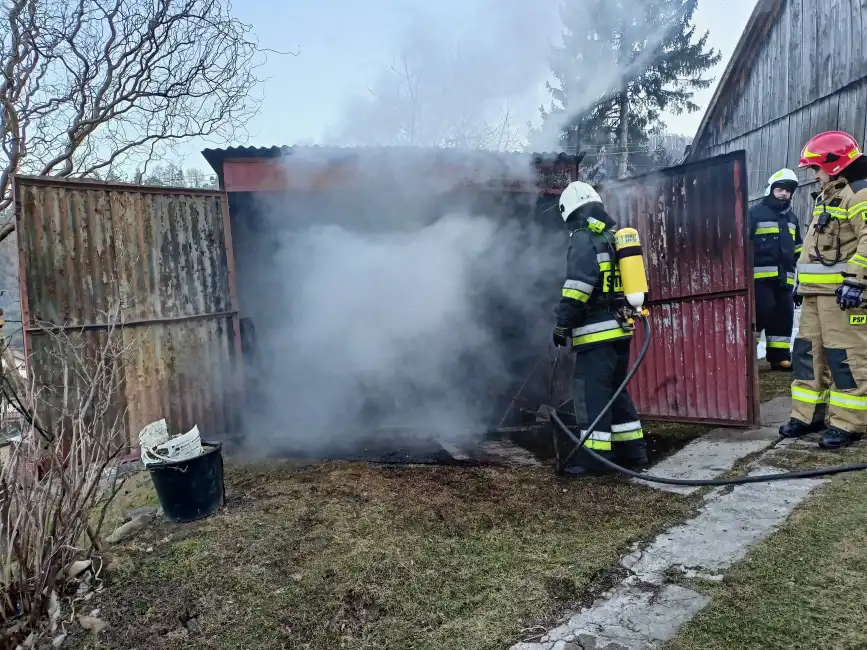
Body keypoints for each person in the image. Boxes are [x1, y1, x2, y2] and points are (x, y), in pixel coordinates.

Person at [552, 181, 648, 476]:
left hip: (596, 333)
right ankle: (634, 452)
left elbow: (579, 287)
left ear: (570, 213)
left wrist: (562, 322)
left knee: (590, 394)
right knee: (616, 391)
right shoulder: (610, 237)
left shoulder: (583, 238)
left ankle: (594, 460)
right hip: (620, 330)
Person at [779, 131, 867, 448]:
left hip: (846, 297)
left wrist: (857, 281)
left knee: (844, 359)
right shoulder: (828, 195)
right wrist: (801, 284)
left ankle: (848, 423)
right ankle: (808, 416)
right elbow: (813, 249)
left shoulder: (860, 194)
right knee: (806, 355)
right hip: (816, 295)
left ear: (835, 163)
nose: (814, 175)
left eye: (816, 168)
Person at [750, 168, 802, 370]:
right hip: (760, 278)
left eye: (788, 191)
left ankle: (779, 357)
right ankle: (747, 354)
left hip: (785, 278)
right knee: (762, 311)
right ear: (770, 190)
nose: (784, 194)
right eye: (780, 189)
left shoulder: (792, 218)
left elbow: (798, 248)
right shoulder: (755, 213)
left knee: (783, 314)